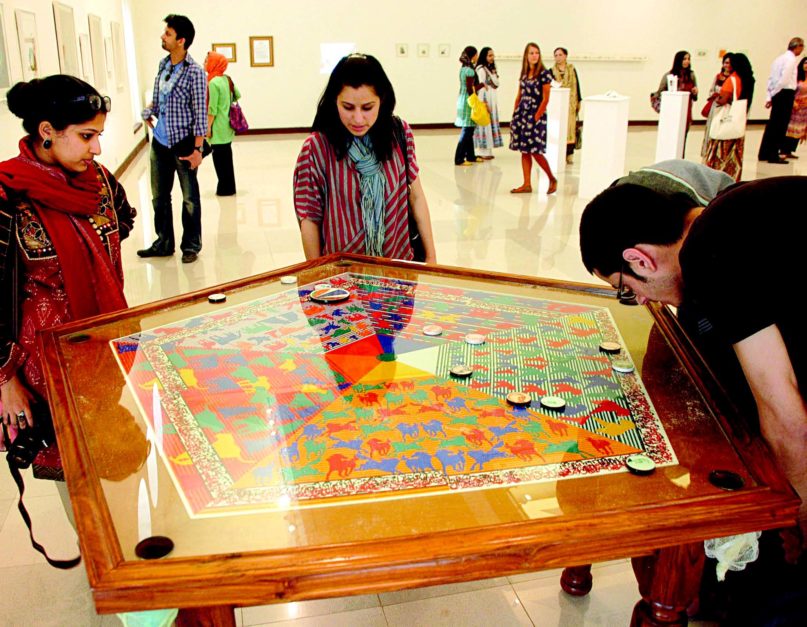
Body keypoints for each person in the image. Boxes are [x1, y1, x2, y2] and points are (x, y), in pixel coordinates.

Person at [579, 177, 807, 550]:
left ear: (640, 259)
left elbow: (786, 420)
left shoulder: (709, 253)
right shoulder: (729, 206)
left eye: (627, 289)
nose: (637, 300)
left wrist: (797, 524)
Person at [0, 75, 135, 448]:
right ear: (47, 131)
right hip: (43, 372)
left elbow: (123, 219)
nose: (97, 149)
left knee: (108, 453)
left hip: (100, 350)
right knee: (71, 471)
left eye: (99, 135)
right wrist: (6, 382)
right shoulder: (7, 194)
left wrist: (88, 259)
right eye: (86, 136)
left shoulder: (100, 181)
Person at [293, 53, 436, 263]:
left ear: (382, 100)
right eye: (348, 107)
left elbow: (416, 197)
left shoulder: (399, 134)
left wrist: (431, 258)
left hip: (398, 268)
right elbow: (310, 218)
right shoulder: (317, 148)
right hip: (342, 275)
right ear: (335, 102)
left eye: (368, 108)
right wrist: (317, 274)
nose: (358, 118)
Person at [138, 14, 207, 264]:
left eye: (167, 33)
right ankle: (163, 242)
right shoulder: (163, 65)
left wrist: (198, 150)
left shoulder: (196, 73)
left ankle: (191, 245)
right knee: (159, 196)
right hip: (160, 141)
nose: (162, 37)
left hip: (184, 143)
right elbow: (157, 98)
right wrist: (149, 111)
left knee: (189, 198)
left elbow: (200, 114)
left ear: (181, 40)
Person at [509, 42, 557, 194]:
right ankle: (527, 183)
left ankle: (551, 178)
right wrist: (515, 114)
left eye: (536, 53)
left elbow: (546, 98)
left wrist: (536, 116)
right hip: (522, 114)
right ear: (526, 56)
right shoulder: (524, 74)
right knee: (524, 151)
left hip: (535, 116)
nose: (534, 56)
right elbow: (519, 95)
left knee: (536, 151)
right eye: (531, 53)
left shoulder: (544, 74)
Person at [702, 53, 755, 181]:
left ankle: (717, 179)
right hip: (738, 121)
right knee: (735, 154)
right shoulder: (748, 79)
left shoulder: (732, 80)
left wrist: (716, 98)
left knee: (721, 153)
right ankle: (733, 178)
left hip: (725, 122)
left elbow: (723, 99)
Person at [758, 37, 805, 163]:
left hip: (777, 93)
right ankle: (773, 154)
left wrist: (770, 96)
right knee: (780, 125)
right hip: (785, 93)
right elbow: (784, 79)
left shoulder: (778, 59)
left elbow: (771, 79)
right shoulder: (791, 60)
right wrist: (775, 93)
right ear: (798, 47)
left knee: (772, 124)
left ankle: (765, 152)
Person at [205, 51, 239, 196]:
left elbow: (212, 109)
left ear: (214, 63)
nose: (204, 63)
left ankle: (224, 188)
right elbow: (237, 94)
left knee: (219, 159)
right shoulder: (227, 79)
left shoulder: (213, 83)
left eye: (207, 60)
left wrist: (207, 128)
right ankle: (230, 187)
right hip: (228, 125)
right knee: (227, 157)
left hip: (218, 127)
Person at [655, 51, 698, 156]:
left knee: (682, 138)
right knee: (671, 137)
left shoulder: (691, 75)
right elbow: (659, 93)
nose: (687, 61)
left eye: (688, 59)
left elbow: (694, 96)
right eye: (684, 59)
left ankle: (680, 157)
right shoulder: (669, 75)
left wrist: (695, 92)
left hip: (686, 112)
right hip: (672, 112)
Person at [551, 47, 582, 164]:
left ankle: (569, 154)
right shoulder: (551, 71)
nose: (558, 58)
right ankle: (558, 153)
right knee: (559, 128)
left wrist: (579, 100)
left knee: (570, 128)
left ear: (565, 56)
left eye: (560, 55)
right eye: (556, 55)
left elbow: (577, 86)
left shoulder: (572, 70)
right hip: (558, 105)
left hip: (571, 104)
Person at [700, 53, 733, 158]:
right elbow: (711, 91)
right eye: (726, 62)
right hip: (715, 107)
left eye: (730, 63)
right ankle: (708, 152)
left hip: (727, 109)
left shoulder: (733, 79)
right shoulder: (718, 77)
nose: (728, 65)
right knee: (711, 129)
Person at [473, 47, 502, 160]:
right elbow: (481, 87)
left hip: (492, 99)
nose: (492, 58)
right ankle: (482, 151)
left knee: (490, 125)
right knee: (484, 125)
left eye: (493, 55)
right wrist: (484, 103)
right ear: (484, 56)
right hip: (484, 99)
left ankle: (488, 150)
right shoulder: (481, 69)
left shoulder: (490, 69)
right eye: (489, 56)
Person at [455, 46, 480, 166]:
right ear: (473, 56)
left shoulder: (463, 69)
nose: (477, 56)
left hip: (463, 99)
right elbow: (470, 88)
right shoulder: (469, 70)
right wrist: (475, 101)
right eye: (476, 54)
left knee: (469, 130)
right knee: (467, 130)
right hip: (468, 101)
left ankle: (470, 156)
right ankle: (459, 158)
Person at [783, 57, 807, 158]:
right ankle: (784, 149)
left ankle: (791, 150)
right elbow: (792, 91)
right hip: (795, 106)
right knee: (790, 128)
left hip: (805, 108)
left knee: (800, 129)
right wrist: (793, 102)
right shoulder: (797, 77)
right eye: (805, 63)